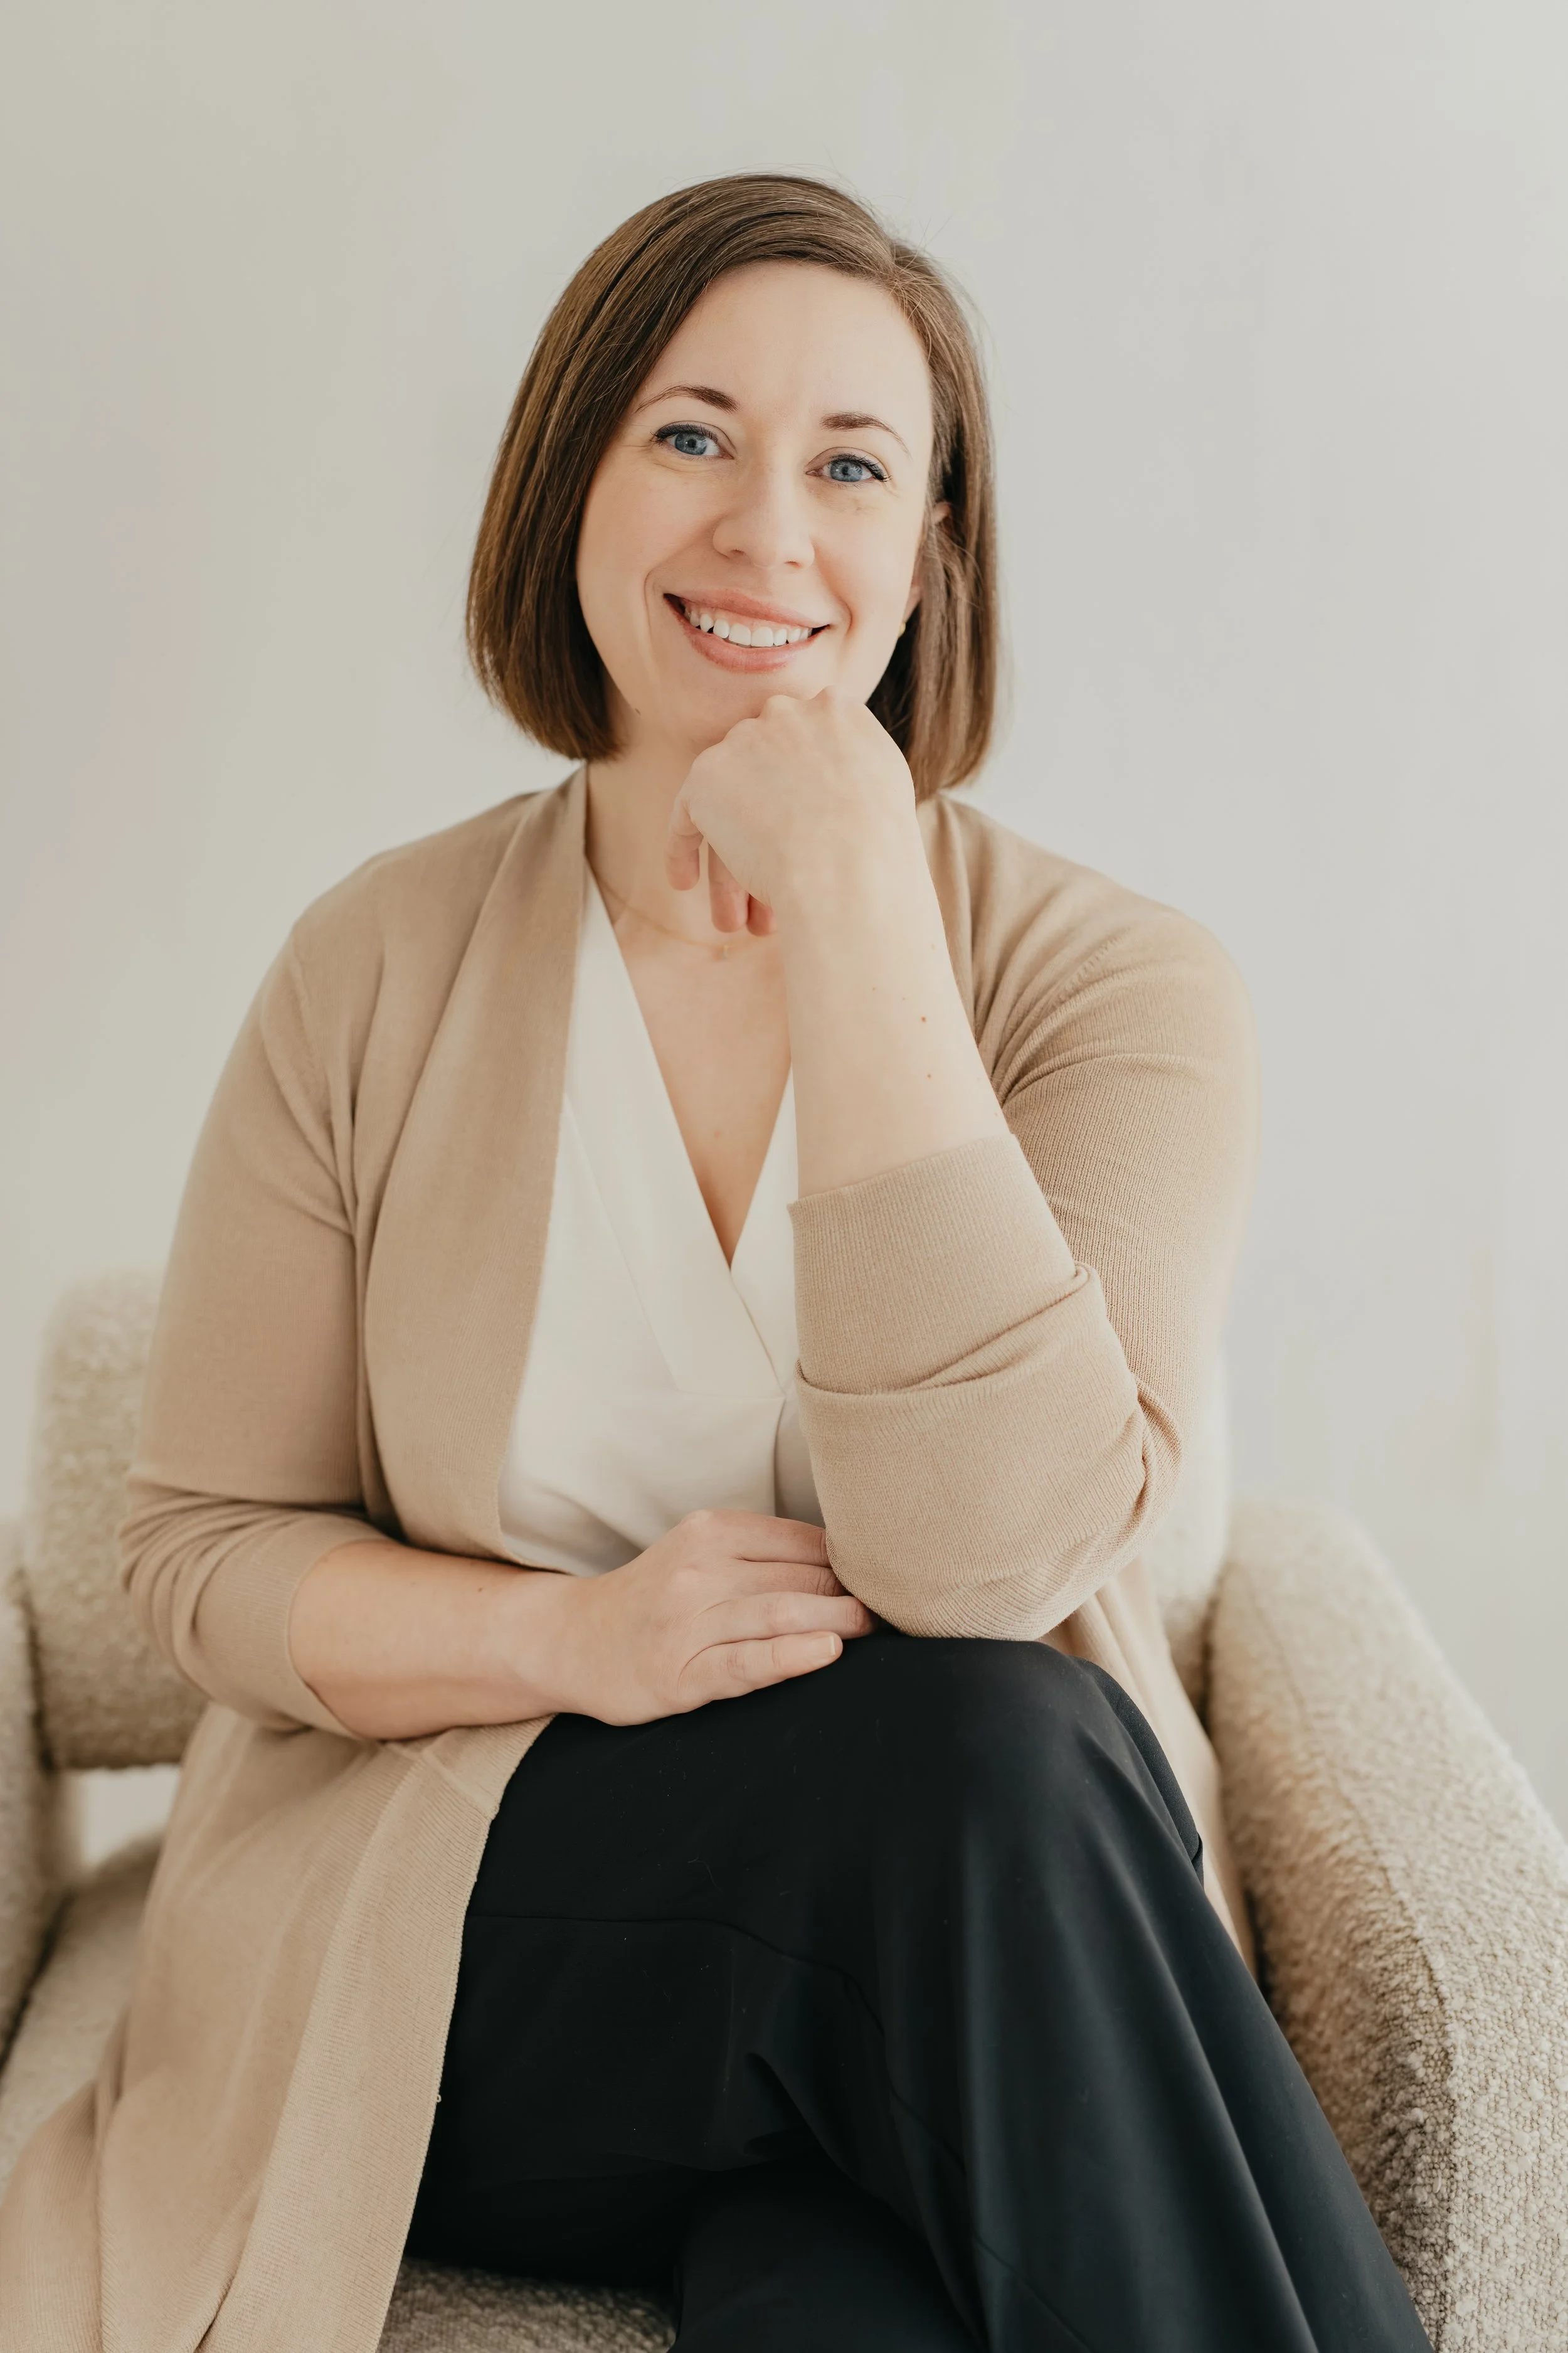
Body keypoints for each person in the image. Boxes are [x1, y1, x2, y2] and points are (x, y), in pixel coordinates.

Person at [0, 174, 1434, 2353]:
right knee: (983, 1742)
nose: (769, 528)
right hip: (480, 1944)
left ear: (928, 556)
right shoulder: (370, 969)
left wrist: (859, 911)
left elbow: (980, 1545)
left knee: (849, 2274)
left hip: (938, 1965)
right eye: (690, 433)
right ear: (572, 479)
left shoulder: (1122, 994)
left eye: (852, 466)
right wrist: (576, 1637)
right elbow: (198, 1554)